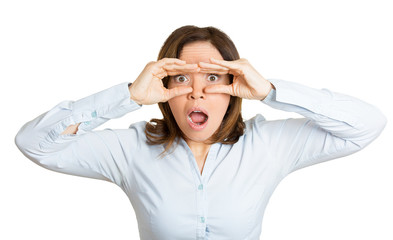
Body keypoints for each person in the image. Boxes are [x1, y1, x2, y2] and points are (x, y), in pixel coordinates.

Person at [15, 25, 387, 240]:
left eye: (212, 78)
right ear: (163, 88)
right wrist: (126, 97)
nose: (196, 92)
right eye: (181, 78)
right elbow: (36, 145)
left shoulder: (269, 145)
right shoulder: (130, 149)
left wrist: (271, 91)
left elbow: (365, 125)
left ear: (233, 85)